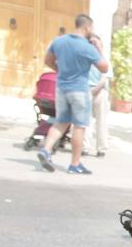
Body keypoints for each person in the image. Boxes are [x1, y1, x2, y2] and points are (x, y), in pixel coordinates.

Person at [36, 13, 109, 174]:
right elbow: (104, 67)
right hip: (80, 90)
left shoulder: (59, 41)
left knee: (60, 122)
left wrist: (60, 70)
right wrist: (100, 49)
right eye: (92, 28)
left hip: (61, 88)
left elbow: (48, 60)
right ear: (87, 27)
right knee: (79, 126)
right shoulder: (87, 47)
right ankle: (75, 164)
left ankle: (46, 150)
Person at [86, 36, 110, 158]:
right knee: (86, 120)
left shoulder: (104, 58)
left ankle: (101, 148)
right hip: (86, 90)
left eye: (95, 43)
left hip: (100, 91)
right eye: (90, 43)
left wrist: (95, 90)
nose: (93, 45)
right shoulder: (85, 58)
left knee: (101, 120)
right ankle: (84, 146)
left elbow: (105, 76)